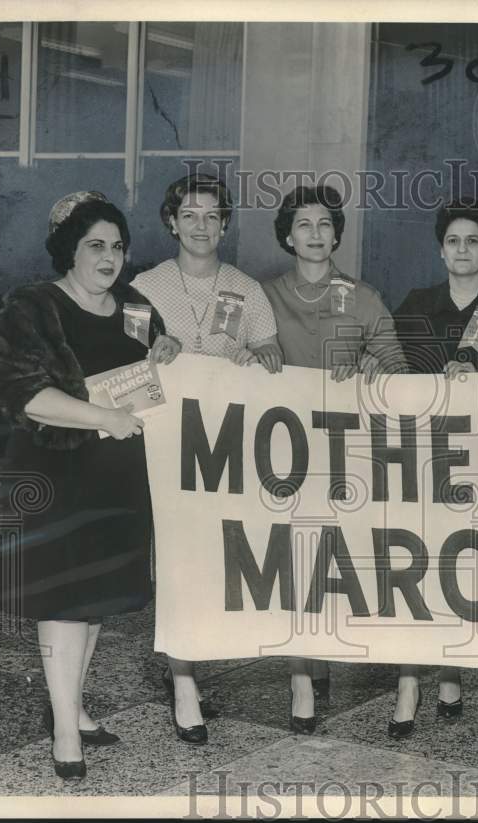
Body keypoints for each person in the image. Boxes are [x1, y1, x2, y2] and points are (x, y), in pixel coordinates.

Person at [0, 192, 181, 781]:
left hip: (118, 479)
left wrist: (167, 348)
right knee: (64, 603)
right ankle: (66, 731)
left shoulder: (133, 305)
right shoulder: (31, 307)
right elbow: (23, 394)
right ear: (69, 249)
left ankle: (71, 705)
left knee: (94, 603)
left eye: (117, 246)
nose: (109, 257)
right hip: (56, 476)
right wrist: (104, 418)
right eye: (95, 245)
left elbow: (153, 359)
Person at [132, 173, 282, 745]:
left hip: (226, 447)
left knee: (223, 558)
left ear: (225, 222)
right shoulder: (143, 287)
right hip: (166, 446)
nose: (201, 226)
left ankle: (209, 655)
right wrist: (153, 351)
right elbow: (122, 360)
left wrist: (257, 353)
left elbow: (273, 352)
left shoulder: (247, 287)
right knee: (174, 560)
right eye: (189, 215)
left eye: (212, 215)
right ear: (172, 221)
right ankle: (184, 682)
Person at [389, 199, 478, 739]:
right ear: (440, 249)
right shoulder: (415, 304)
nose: (463, 250)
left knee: (462, 566)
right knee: (415, 563)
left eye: (473, 241)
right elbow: (394, 370)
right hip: (423, 455)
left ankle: (450, 670)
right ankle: (409, 682)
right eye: (453, 241)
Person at [262, 184, 406, 734]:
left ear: (337, 233)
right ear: (288, 234)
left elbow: (397, 363)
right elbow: (229, 357)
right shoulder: (264, 295)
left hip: (347, 453)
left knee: (335, 561)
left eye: (325, 224)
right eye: (304, 224)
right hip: (283, 452)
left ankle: (329, 653)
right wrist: (257, 349)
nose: (315, 234)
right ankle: (302, 679)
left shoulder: (363, 296)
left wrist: (372, 361)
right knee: (294, 562)